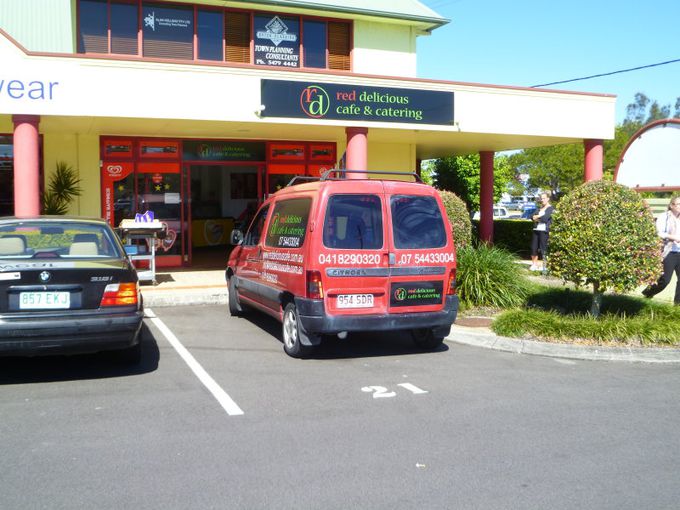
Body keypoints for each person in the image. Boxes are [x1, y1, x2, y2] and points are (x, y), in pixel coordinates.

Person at [642, 196, 680, 304]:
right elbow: (658, 233)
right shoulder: (664, 217)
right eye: (678, 204)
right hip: (669, 251)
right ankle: (648, 293)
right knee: (665, 280)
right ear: (672, 206)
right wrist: (673, 237)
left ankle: (677, 306)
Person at [529, 192, 555, 271]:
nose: (542, 200)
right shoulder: (539, 208)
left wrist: (537, 217)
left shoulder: (551, 208)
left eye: (544, 198)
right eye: (541, 198)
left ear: (548, 199)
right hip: (536, 230)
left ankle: (545, 265)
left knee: (544, 248)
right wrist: (538, 216)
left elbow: (545, 219)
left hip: (544, 231)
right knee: (533, 247)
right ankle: (534, 264)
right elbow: (531, 217)